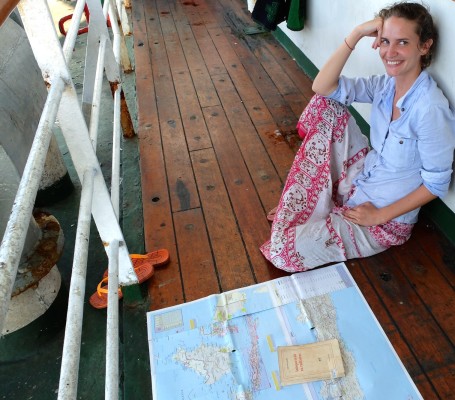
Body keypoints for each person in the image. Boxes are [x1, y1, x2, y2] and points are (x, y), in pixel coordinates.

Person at [260, 2, 455, 272]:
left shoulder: (431, 108)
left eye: (403, 42)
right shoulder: (386, 85)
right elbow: (323, 87)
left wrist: (379, 215)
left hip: (384, 219)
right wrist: (355, 34)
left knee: (283, 251)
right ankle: (317, 202)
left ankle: (318, 203)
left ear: (425, 46)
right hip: (362, 181)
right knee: (324, 105)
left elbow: (437, 183)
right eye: (385, 41)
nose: (390, 52)